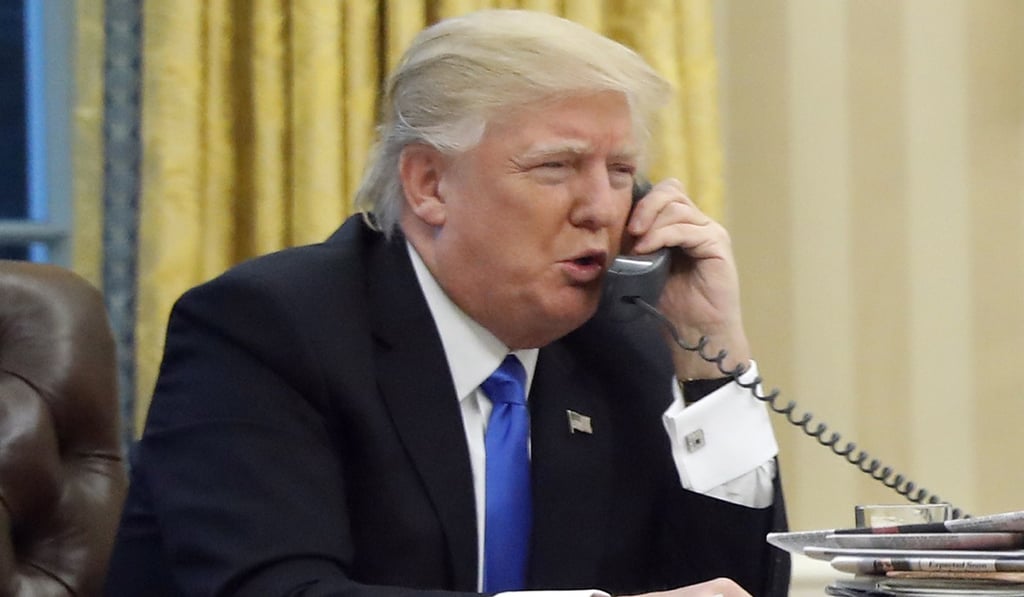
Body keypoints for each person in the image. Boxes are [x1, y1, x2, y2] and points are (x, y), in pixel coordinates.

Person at [104, 9, 789, 597]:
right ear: (430, 184)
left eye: (618, 172)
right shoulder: (265, 330)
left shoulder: (620, 345)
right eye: (556, 167)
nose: (601, 209)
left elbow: (735, 585)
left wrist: (715, 366)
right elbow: (277, 589)